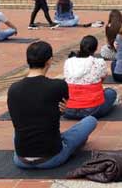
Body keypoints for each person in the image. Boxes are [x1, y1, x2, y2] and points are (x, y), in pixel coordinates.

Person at [9, 41, 98, 169]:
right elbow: (59, 111)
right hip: (52, 156)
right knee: (90, 121)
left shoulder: (13, 89)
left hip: (21, 158)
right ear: (49, 60)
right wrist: (61, 110)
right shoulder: (58, 86)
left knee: (23, 128)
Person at [63, 36, 121, 119]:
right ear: (95, 48)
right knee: (111, 92)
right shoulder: (98, 62)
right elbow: (103, 77)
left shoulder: (68, 62)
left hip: (69, 110)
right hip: (92, 110)